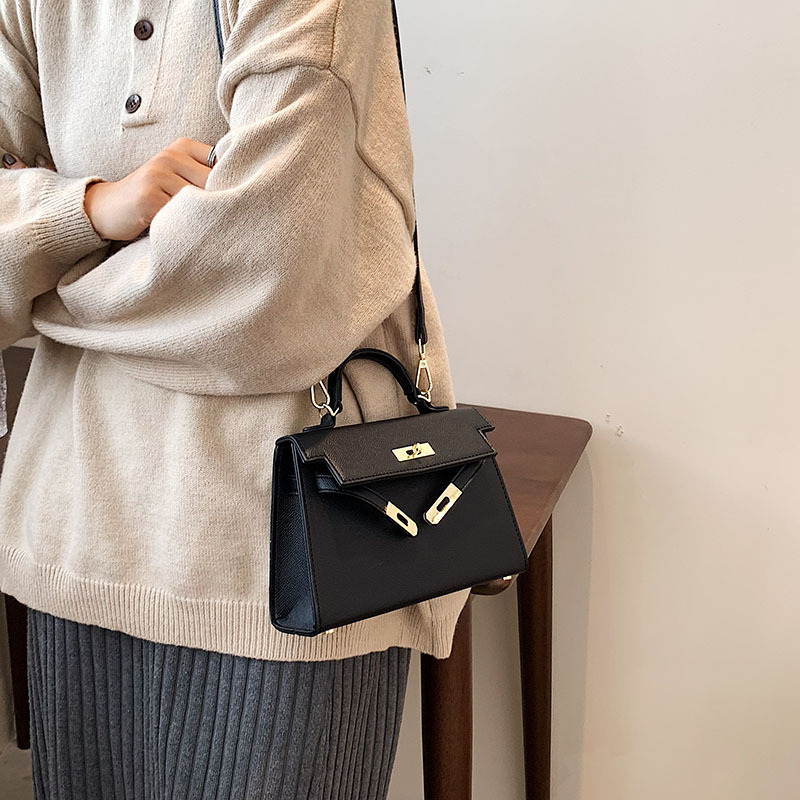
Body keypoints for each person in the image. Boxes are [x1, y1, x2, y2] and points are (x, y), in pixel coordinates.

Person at [0, 0, 471, 796]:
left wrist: (47, 266)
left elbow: (267, 285)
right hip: (75, 535)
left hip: (284, 561)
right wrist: (91, 209)